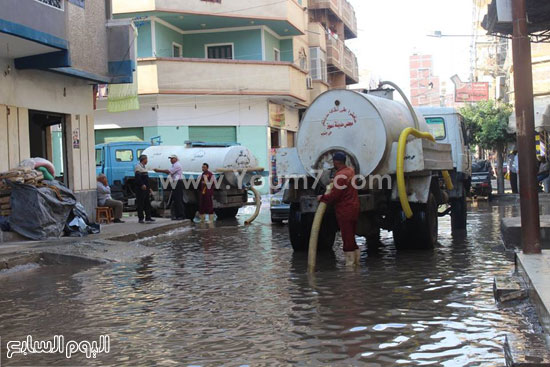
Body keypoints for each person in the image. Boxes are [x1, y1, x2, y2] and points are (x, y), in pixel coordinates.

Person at [317, 152, 360, 266]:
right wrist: (335, 183)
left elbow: (335, 196)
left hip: (345, 210)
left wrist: (322, 197)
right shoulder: (350, 171)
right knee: (351, 235)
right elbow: (345, 186)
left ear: (336, 162)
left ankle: (350, 266)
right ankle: (356, 264)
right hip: (354, 208)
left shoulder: (340, 175)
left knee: (347, 237)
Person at [154, 154, 184, 220]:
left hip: (177, 183)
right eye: (170, 159)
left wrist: (159, 170)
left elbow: (169, 171)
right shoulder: (174, 165)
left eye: (172, 158)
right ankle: (177, 215)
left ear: (175, 159)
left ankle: (180, 215)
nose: (170, 160)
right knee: (175, 199)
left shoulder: (177, 165)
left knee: (178, 199)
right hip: (175, 182)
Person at [135, 154, 155, 224]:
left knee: (147, 203)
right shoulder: (138, 167)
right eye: (146, 159)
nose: (147, 161)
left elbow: (146, 179)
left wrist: (149, 188)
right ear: (144, 159)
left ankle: (148, 217)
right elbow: (138, 178)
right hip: (141, 189)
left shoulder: (144, 167)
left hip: (146, 188)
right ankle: (141, 218)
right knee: (141, 203)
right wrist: (142, 185)